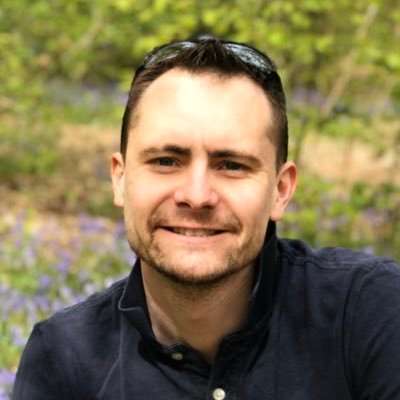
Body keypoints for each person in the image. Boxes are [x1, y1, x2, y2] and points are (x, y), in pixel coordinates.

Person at [13, 38, 400, 400]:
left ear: (280, 190)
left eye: (231, 165)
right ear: (120, 179)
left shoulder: (369, 314)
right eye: (166, 161)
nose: (197, 196)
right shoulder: (63, 361)